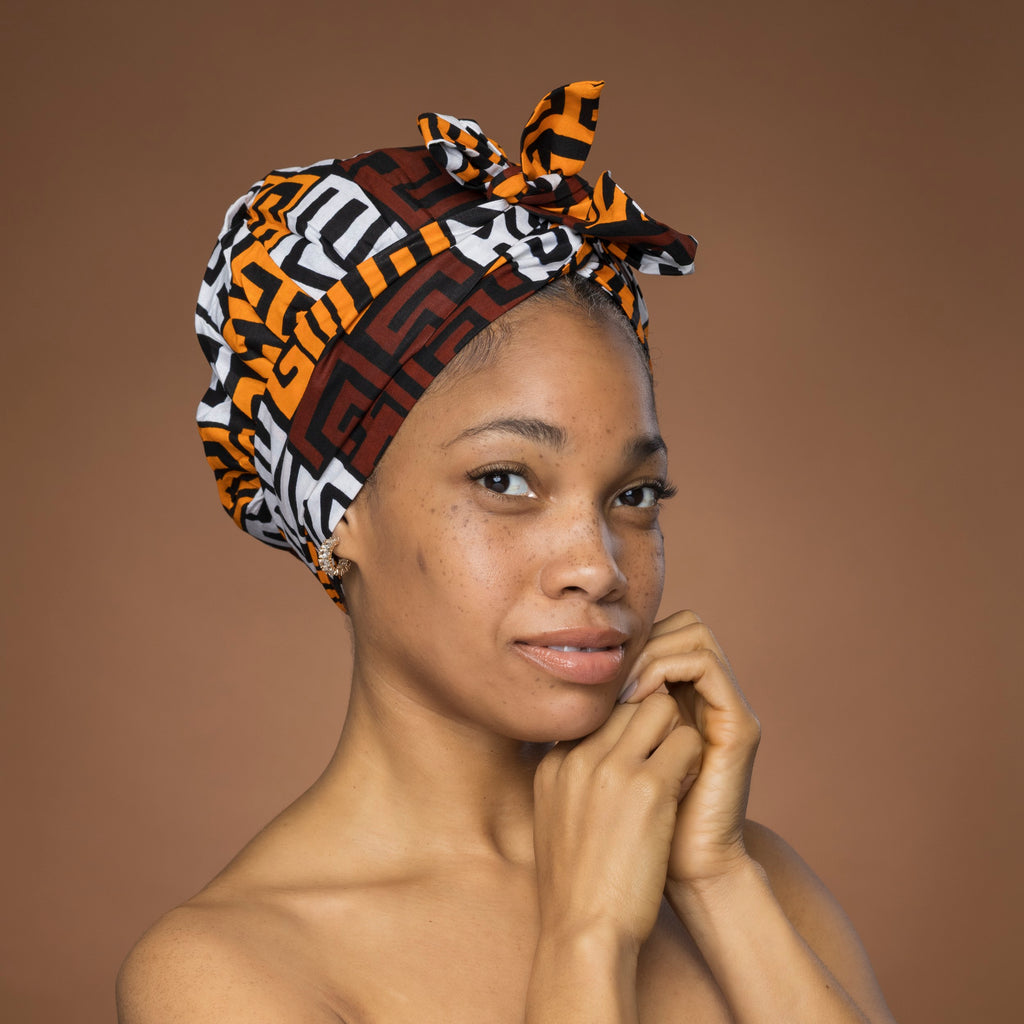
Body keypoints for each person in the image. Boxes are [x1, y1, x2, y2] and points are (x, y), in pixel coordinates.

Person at [117, 81, 897, 1023]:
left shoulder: (747, 876)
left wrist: (718, 882)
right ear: (338, 510)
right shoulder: (224, 972)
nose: (598, 567)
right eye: (504, 481)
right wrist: (586, 938)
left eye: (634, 495)